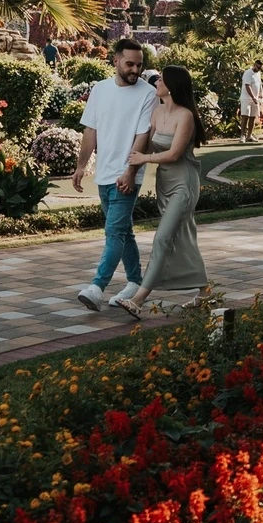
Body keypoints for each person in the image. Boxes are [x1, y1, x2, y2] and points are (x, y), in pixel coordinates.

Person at [72, 37, 158, 312]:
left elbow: (143, 135)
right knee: (123, 231)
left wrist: (131, 172)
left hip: (126, 175)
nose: (135, 69)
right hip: (105, 174)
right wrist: (82, 165)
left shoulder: (147, 93)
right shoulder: (100, 89)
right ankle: (134, 281)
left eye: (139, 65)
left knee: (113, 232)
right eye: (130, 64)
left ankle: (97, 287)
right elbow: (90, 130)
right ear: (116, 61)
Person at [117, 64, 208, 318]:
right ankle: (205, 293)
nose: (156, 82)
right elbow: (147, 140)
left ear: (172, 86)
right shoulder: (157, 112)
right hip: (165, 184)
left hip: (184, 184)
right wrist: (129, 166)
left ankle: (138, 299)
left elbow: (174, 153)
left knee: (162, 238)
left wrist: (143, 159)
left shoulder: (185, 116)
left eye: (161, 80)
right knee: (184, 238)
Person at [239, 59, 263, 142]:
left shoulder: (258, 73)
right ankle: (242, 136)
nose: (258, 69)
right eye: (258, 67)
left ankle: (249, 136)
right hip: (246, 97)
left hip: (255, 99)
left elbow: (260, 84)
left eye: (260, 68)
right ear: (254, 65)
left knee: (253, 117)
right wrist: (253, 97)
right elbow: (247, 86)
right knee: (245, 116)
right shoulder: (248, 73)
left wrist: (261, 93)